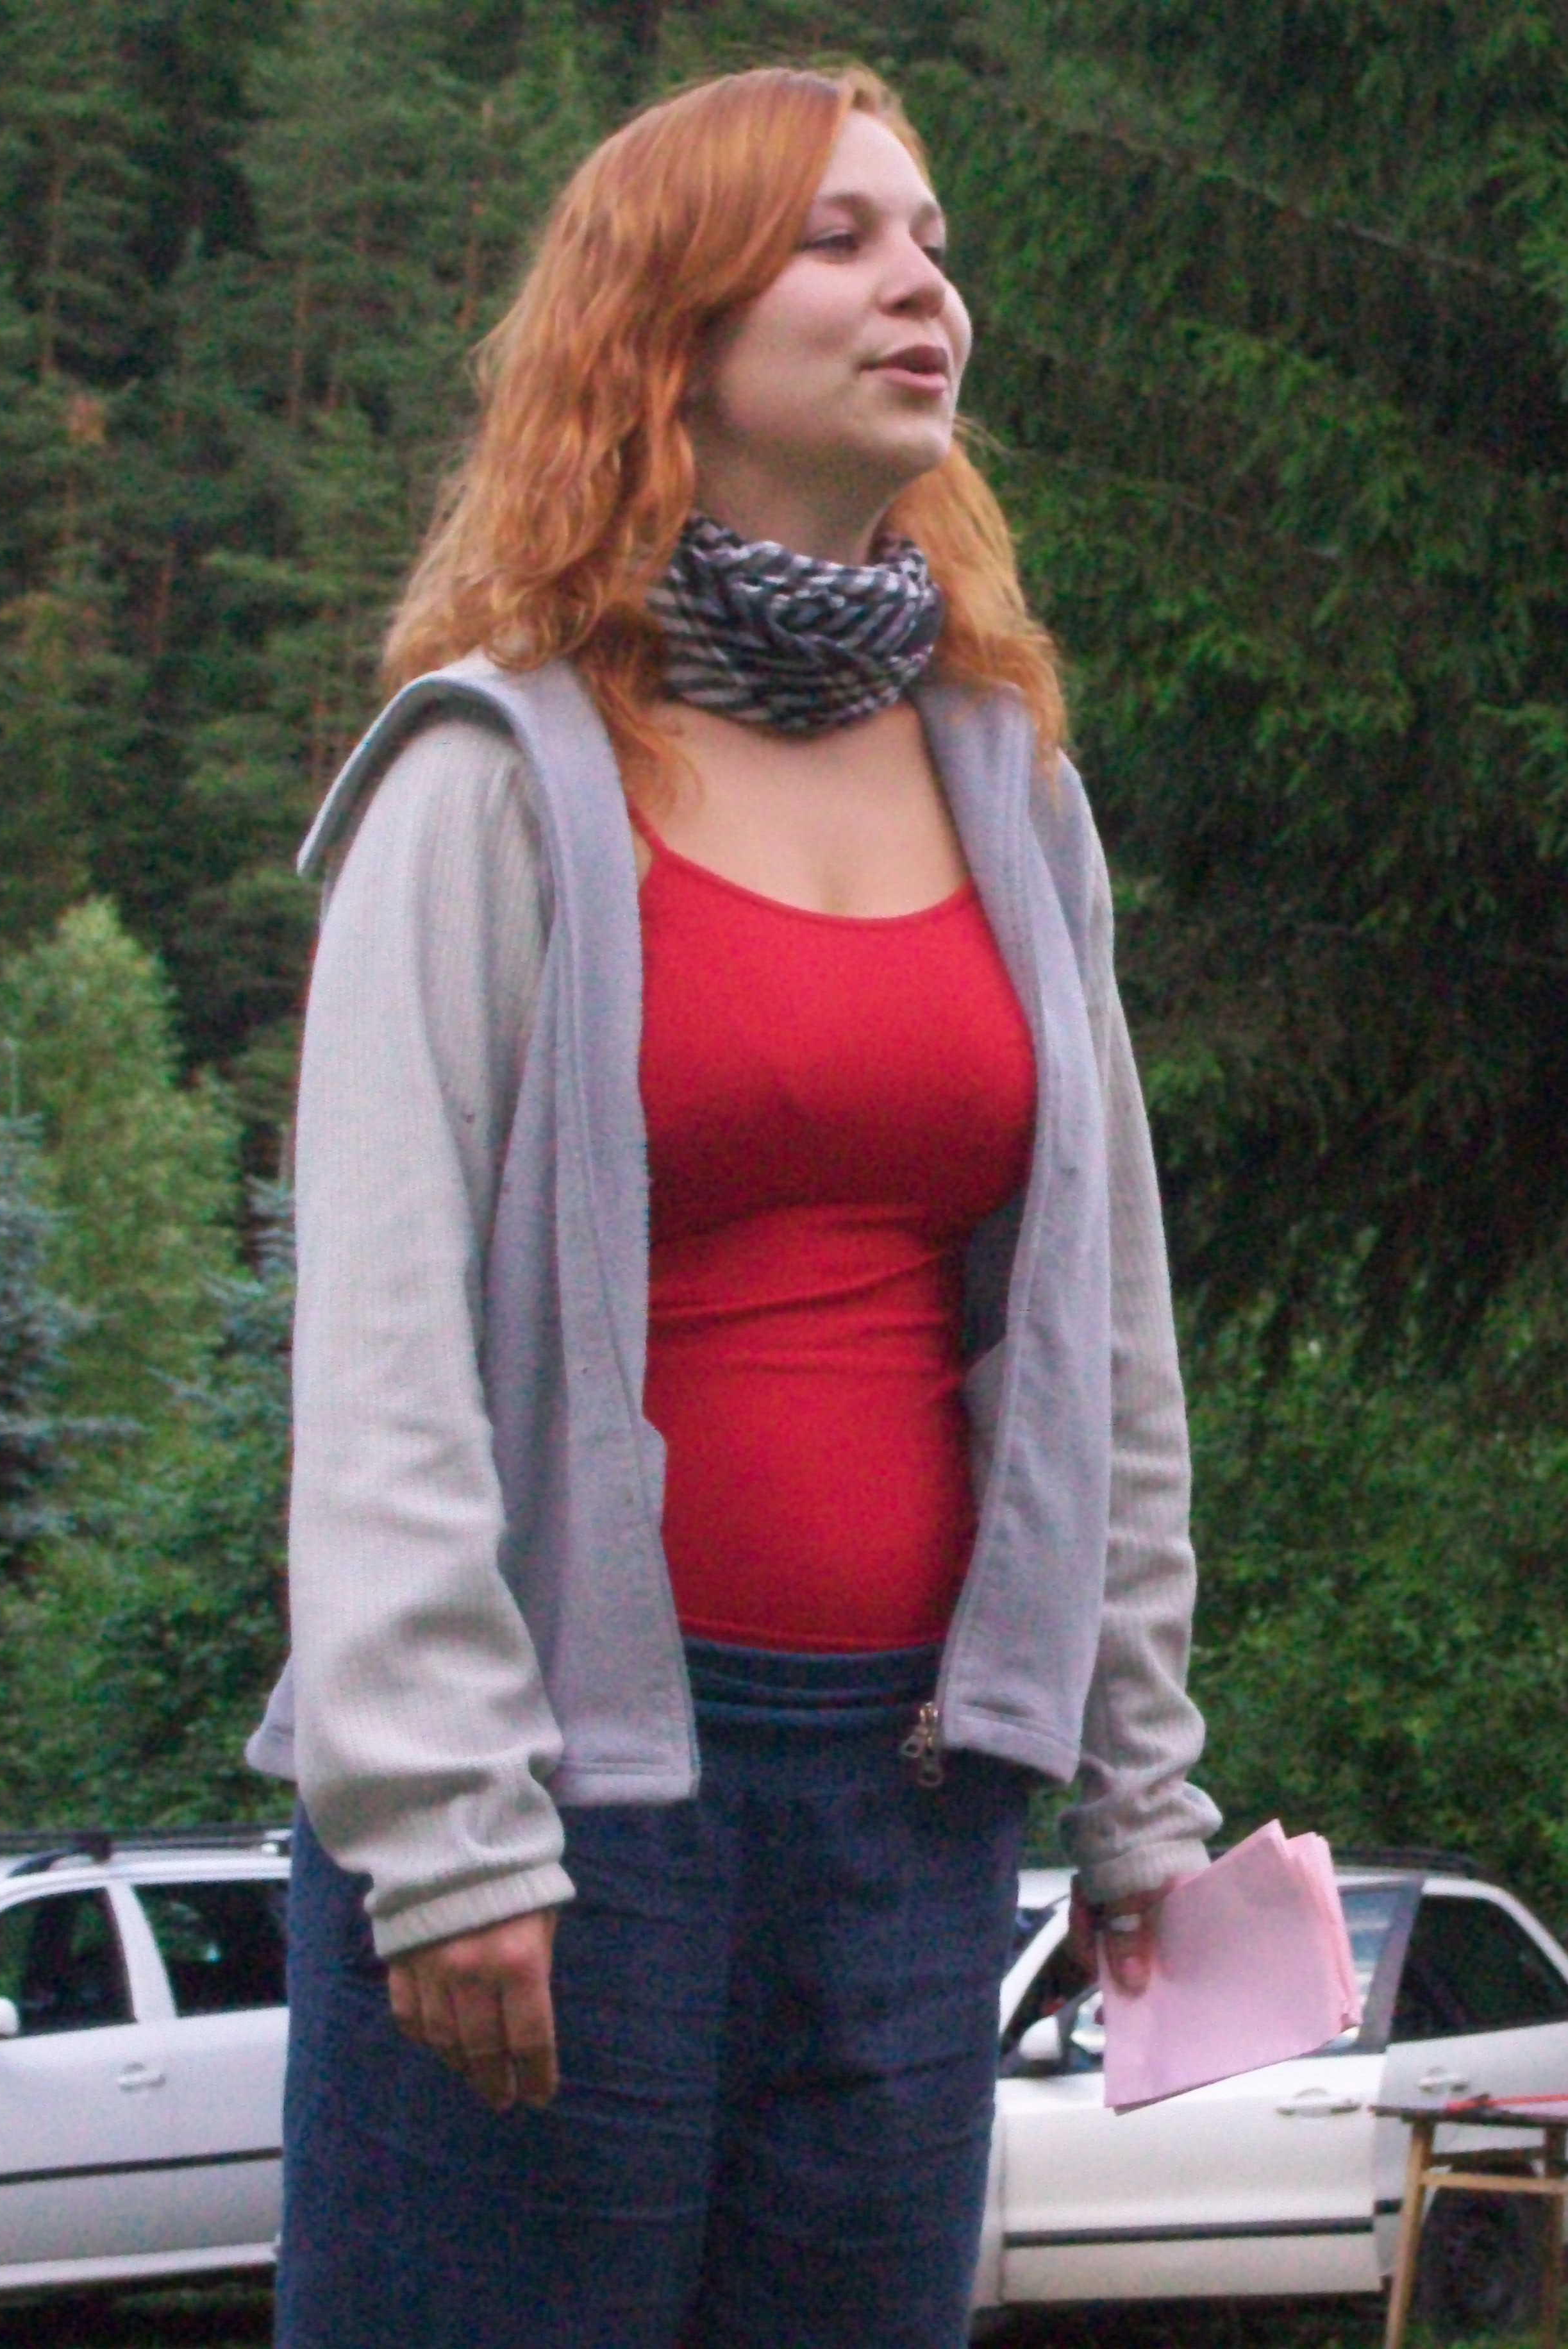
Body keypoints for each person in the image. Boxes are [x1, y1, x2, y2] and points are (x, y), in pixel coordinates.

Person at [246, 61, 1221, 2349]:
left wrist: (1136, 1784)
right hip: (554, 1810)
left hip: (915, 1801)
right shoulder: (491, 773)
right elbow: (379, 1345)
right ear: (663, 331)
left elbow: (1103, 1332)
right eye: (838, 241)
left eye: (933, 243)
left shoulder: (1013, 792)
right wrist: (445, 1827)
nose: (921, 288)